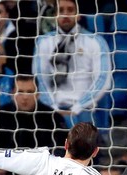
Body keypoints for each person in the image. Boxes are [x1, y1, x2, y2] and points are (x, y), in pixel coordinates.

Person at [33, 0, 112, 129]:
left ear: (78, 14)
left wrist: (78, 107)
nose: (65, 15)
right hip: (51, 108)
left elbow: (102, 79)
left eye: (70, 10)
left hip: (83, 109)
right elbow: (40, 79)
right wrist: (53, 107)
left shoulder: (96, 42)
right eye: (61, 10)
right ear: (55, 15)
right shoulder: (43, 42)